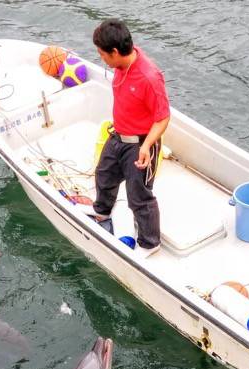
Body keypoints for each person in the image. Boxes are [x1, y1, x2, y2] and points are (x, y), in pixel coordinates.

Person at [90, 19, 170, 254]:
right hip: (118, 135)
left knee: (139, 197)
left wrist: (146, 146)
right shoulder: (122, 63)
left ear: (115, 52)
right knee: (104, 175)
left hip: (140, 144)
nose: (100, 58)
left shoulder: (149, 77)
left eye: (102, 54)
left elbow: (163, 117)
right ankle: (101, 214)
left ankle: (149, 244)